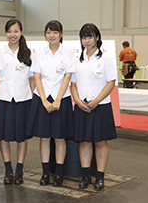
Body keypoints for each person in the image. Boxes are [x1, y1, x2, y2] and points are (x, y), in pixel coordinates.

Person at [26, 20, 73, 187]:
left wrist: (58, 99)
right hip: (42, 99)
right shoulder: (39, 54)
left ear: (61, 34)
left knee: (60, 138)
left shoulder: (68, 53)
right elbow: (36, 77)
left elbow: (67, 77)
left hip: (62, 98)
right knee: (44, 137)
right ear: (45, 34)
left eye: (55, 32)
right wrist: (44, 99)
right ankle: (45, 174)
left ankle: (58, 174)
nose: (52, 35)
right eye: (48, 32)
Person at [70, 23, 117, 191]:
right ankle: (85, 177)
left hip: (100, 106)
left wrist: (96, 101)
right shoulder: (77, 60)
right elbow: (73, 84)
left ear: (97, 38)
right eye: (84, 37)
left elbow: (111, 82)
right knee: (84, 142)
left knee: (101, 142)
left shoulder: (105, 59)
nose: (87, 40)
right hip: (81, 106)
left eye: (90, 36)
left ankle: (100, 177)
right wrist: (77, 100)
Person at [0, 19, 34, 185]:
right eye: (9, 31)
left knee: (22, 137)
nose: (12, 35)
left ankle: (19, 170)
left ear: (21, 32)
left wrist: (31, 97)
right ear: (6, 33)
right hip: (4, 99)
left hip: (24, 100)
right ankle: (8, 170)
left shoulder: (28, 53)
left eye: (15, 31)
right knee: (4, 136)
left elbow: (32, 80)